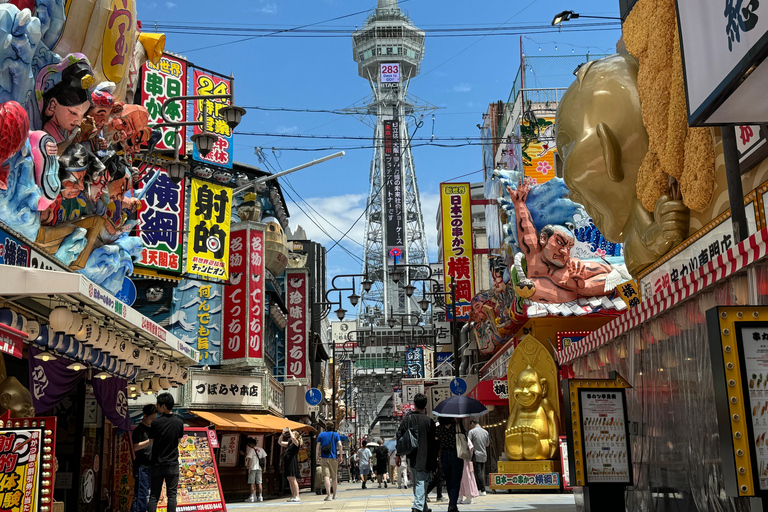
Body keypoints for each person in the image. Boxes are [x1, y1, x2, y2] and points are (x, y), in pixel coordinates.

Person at [396, 393, 437, 512]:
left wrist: (398, 454)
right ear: (425, 406)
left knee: (418, 481)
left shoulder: (408, 419)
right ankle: (418, 507)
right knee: (421, 482)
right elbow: (433, 443)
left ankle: (423, 508)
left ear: (414, 405)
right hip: (426, 456)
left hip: (411, 455)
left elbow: (400, 435)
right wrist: (435, 461)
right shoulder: (429, 421)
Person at [147, 393, 184, 512]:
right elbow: (178, 441)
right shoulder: (179, 423)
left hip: (157, 464)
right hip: (172, 464)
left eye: (158, 405)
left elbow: (151, 443)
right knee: (172, 495)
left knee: (154, 496)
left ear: (163, 406)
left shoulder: (155, 423)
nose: (157, 408)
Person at [131, 404, 157, 512]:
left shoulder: (151, 429)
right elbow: (135, 447)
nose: (152, 421)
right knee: (141, 495)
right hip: (141, 466)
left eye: (154, 419)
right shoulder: (139, 430)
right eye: (151, 418)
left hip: (150, 466)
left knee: (146, 494)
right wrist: (149, 441)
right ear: (145, 416)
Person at [436, 417, 463, 512]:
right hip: (456, 454)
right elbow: (464, 438)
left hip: (444, 455)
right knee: (456, 481)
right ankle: (452, 505)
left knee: (448, 480)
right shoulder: (457, 427)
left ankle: (453, 505)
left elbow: (437, 443)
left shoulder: (439, 429)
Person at [316, 424, 343, 500]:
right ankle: (334, 494)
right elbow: (340, 445)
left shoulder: (321, 435)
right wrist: (340, 456)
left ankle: (328, 495)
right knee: (334, 476)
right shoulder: (335, 435)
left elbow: (318, 446)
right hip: (333, 458)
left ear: (326, 427)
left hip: (324, 458)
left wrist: (317, 456)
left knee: (326, 476)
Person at [279, 428, 302, 502]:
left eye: (293, 434)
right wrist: (282, 434)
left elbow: (293, 438)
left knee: (293, 478)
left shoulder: (296, 443)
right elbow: (280, 442)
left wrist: (289, 430)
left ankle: (297, 495)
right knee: (289, 479)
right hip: (287, 461)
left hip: (293, 461)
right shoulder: (289, 443)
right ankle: (293, 495)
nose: (291, 436)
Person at [467, 419, 489, 496]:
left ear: (472, 423)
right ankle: (480, 489)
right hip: (484, 454)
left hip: (475, 454)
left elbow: (468, 444)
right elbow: (487, 444)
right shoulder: (485, 432)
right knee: (481, 472)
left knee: (477, 472)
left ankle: (482, 489)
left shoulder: (471, 432)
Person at [245, 438, 267, 502]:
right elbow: (265, 458)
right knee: (260, 483)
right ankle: (260, 496)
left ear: (251, 444)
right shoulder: (261, 449)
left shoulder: (251, 450)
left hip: (253, 468)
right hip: (259, 468)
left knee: (252, 483)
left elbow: (250, 460)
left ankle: (252, 497)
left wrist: (249, 468)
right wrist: (264, 467)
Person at [458, 436, 478, 505]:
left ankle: (469, 497)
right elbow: (471, 448)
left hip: (464, 460)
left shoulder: (463, 437)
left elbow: (470, 448)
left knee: (467, 478)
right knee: (460, 479)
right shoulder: (463, 436)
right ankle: (460, 496)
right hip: (463, 460)